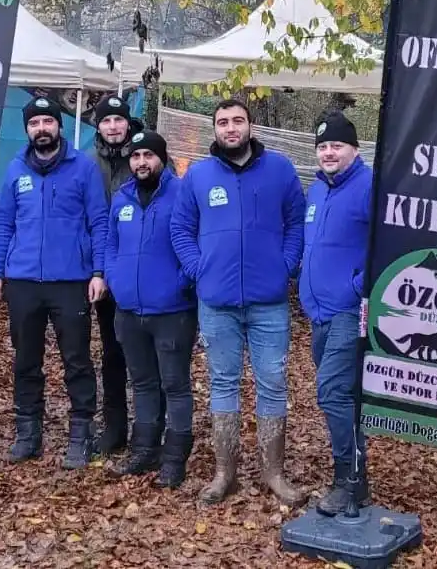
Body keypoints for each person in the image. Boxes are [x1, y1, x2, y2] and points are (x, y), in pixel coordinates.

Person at [170, 98, 306, 506]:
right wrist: (199, 269)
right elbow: (181, 228)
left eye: (238, 121)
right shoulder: (198, 175)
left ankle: (273, 473)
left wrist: (285, 266)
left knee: (272, 383)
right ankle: (224, 473)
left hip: (269, 303)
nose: (231, 128)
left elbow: (297, 223)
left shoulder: (280, 169)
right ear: (214, 129)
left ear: (251, 126)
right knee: (223, 383)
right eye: (223, 122)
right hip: (217, 302)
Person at [0, 96, 109, 470]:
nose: (41, 128)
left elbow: (99, 222)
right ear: (28, 129)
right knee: (26, 359)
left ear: (58, 125)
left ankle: (80, 434)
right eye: (34, 123)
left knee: (77, 360)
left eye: (47, 122)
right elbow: (4, 224)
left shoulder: (82, 167)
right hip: (23, 280)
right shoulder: (16, 169)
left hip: (71, 280)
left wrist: (98, 272)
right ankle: (28, 432)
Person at [104, 130, 197, 488]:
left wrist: (181, 282)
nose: (142, 162)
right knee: (142, 382)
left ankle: (175, 457)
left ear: (162, 158)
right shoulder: (122, 198)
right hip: (129, 309)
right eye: (136, 156)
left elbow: (195, 242)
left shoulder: (182, 194)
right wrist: (114, 278)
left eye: (149, 155)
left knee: (174, 384)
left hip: (172, 310)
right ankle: (145, 448)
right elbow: (111, 244)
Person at [301, 111, 372, 515]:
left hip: (349, 310)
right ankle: (358, 479)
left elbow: (388, 244)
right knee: (343, 397)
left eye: (337, 146)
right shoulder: (317, 189)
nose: (328, 152)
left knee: (331, 392)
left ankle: (346, 480)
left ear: (354, 150)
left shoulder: (369, 186)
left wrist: (357, 286)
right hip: (318, 313)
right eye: (323, 146)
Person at [88, 94, 138, 455]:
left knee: (149, 354)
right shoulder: (87, 163)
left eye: (119, 119)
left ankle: (152, 426)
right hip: (104, 272)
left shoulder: (147, 156)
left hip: (143, 270)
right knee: (112, 352)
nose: (113, 126)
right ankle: (114, 426)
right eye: (106, 120)